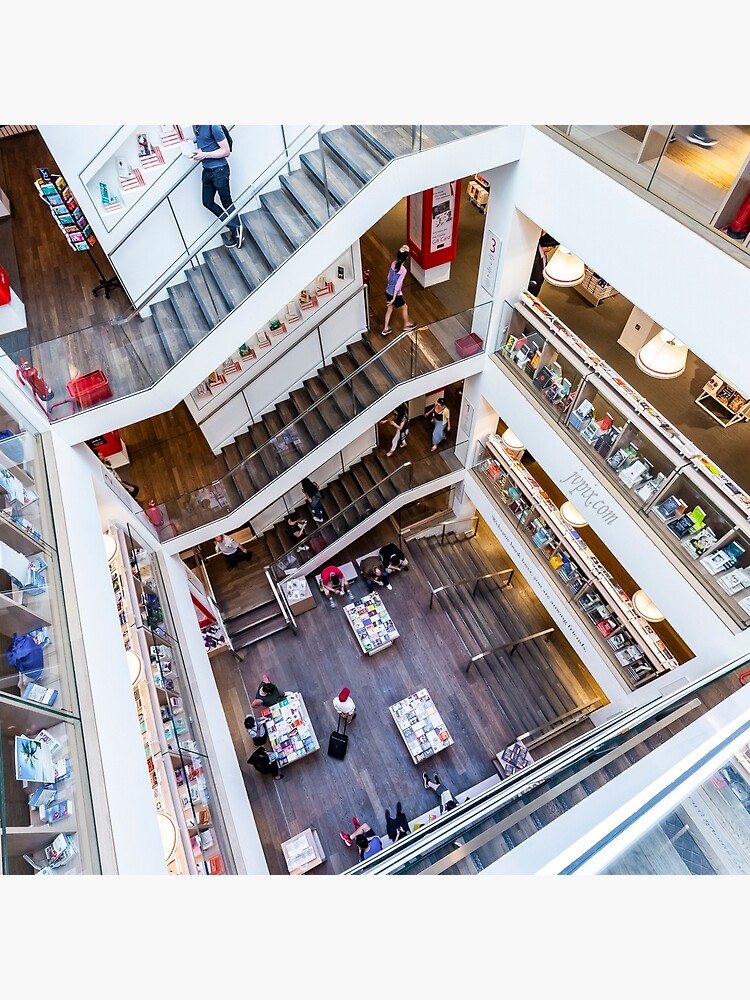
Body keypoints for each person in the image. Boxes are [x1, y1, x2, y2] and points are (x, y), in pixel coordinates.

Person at [191, 125, 244, 248]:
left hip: (219, 170)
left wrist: (204, 154)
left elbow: (226, 151)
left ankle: (236, 229)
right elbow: (203, 138)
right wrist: (189, 141)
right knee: (207, 202)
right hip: (207, 170)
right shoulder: (196, 126)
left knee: (226, 202)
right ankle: (235, 227)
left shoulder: (213, 126)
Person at [381, 245, 417, 336]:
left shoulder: (393, 263)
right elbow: (398, 285)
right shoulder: (403, 270)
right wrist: (394, 298)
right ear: (406, 258)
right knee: (405, 307)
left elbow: (388, 277)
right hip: (395, 295)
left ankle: (385, 328)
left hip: (388, 291)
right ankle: (406, 324)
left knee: (389, 309)